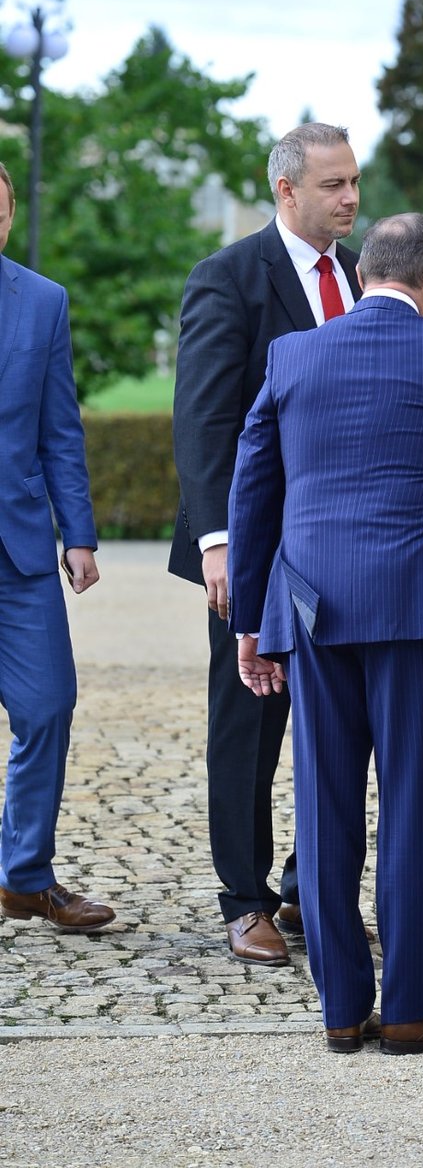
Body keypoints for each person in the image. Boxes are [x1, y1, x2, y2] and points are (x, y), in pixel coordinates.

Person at [227, 213, 423, 1052]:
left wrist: (252, 625)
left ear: (365, 276)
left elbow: (252, 493)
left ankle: (339, 1010)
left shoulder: (295, 354)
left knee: (323, 806)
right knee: (410, 804)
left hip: (316, 608)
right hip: (418, 610)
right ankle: (414, 1008)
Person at [169, 122, 362, 965]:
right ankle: (243, 899)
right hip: (255, 547)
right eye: (333, 185)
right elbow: (203, 421)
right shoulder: (228, 279)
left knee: (339, 724)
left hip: (346, 540)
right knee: (250, 723)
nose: (351, 198)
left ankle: (299, 889)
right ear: (287, 190)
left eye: (355, 182)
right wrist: (218, 545)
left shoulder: (359, 276)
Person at [0, 163, 115, 933]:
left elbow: (57, 431)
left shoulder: (43, 302)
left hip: (19, 553)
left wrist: (78, 532)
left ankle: (22, 876)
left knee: (49, 707)